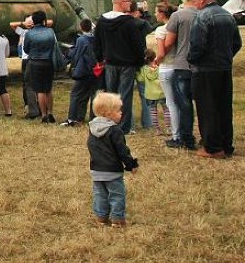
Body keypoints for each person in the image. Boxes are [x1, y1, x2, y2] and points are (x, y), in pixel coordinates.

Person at [187, 0, 242, 159]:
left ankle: (212, 148)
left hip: (205, 70)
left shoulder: (202, 17)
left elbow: (198, 45)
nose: (194, 2)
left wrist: (192, 60)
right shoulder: (228, 15)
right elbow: (237, 43)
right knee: (223, 108)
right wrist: (226, 57)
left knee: (207, 108)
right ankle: (226, 145)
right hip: (224, 68)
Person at [94, 0, 146, 134]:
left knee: (111, 95)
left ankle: (110, 123)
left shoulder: (102, 20)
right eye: (128, 1)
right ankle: (124, 127)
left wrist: (100, 59)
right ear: (121, 3)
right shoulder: (128, 22)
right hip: (127, 64)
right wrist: (140, 61)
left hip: (110, 63)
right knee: (125, 96)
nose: (130, 4)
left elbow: (97, 42)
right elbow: (137, 44)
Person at [87, 92, 139, 228]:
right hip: (112, 170)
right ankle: (117, 219)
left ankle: (101, 218)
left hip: (96, 170)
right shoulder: (114, 131)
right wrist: (131, 164)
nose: (121, 113)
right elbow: (122, 151)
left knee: (100, 195)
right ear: (108, 114)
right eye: (118, 110)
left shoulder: (92, 128)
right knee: (117, 195)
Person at [162, 0, 199, 150]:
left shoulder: (178, 16)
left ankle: (185, 138)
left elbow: (169, 41)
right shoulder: (203, 14)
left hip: (182, 63)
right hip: (201, 65)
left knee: (184, 104)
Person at [62, 19, 98, 127]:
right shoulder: (95, 39)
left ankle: (72, 118)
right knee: (91, 95)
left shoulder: (81, 40)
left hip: (83, 71)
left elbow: (77, 55)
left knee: (76, 95)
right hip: (95, 71)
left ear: (81, 27)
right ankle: (92, 118)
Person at [23, 10, 57, 123]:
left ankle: (43, 115)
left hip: (35, 63)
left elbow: (26, 49)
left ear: (33, 21)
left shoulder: (29, 33)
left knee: (40, 90)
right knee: (48, 89)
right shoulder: (50, 31)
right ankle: (50, 112)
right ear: (44, 20)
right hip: (48, 62)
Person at [152, 3, 179, 141]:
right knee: (181, 101)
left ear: (162, 14)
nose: (155, 14)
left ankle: (176, 134)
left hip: (167, 67)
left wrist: (156, 60)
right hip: (179, 67)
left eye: (156, 12)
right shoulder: (178, 27)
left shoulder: (161, 30)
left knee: (171, 102)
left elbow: (162, 52)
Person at [130, 0, 154, 130]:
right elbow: (150, 28)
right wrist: (146, 13)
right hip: (141, 61)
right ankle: (148, 123)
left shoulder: (124, 24)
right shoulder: (142, 24)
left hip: (127, 62)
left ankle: (130, 124)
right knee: (145, 94)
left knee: (127, 95)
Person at [11, 15, 39, 119]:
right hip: (26, 59)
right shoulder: (23, 31)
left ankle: (34, 106)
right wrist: (24, 23)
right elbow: (12, 25)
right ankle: (28, 104)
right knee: (26, 83)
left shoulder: (35, 31)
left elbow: (50, 22)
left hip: (30, 59)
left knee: (30, 83)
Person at [136, 48, 169, 135]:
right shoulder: (159, 67)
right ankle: (168, 128)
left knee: (153, 112)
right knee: (166, 110)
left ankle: (157, 130)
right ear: (154, 57)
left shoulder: (144, 69)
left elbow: (140, 79)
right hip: (162, 93)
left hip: (150, 94)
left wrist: (137, 73)